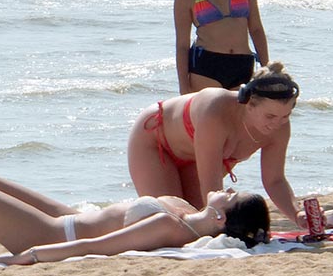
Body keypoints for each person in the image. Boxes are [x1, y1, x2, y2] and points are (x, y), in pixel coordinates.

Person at [0, 172, 270, 274]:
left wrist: (27, 256)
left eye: (230, 195)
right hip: (69, 218)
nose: (225, 189)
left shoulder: (171, 227)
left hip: (54, 233)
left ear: (221, 216)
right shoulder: (185, 212)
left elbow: (93, 248)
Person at [128, 62, 306, 227]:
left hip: (195, 160)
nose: (277, 124)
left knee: (194, 223)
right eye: (270, 116)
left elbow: (274, 180)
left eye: (286, 116)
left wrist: (297, 214)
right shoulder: (215, 111)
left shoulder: (280, 127)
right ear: (249, 104)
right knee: (173, 222)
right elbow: (212, 190)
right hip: (156, 141)